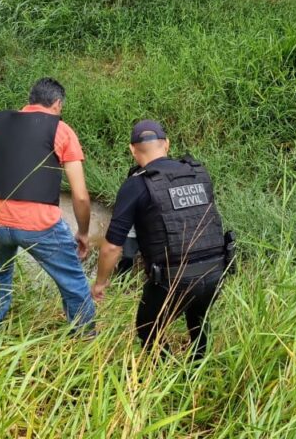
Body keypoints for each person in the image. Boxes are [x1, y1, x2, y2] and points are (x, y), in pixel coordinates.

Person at [91, 120, 232, 360]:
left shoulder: (136, 184)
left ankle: (168, 373)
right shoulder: (198, 172)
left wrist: (100, 283)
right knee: (199, 320)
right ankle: (197, 369)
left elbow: (113, 246)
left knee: (147, 329)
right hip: (216, 269)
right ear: (166, 144)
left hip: (172, 279)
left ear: (132, 150)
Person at [0, 78, 95, 333]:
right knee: (73, 281)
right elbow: (80, 196)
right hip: (39, 225)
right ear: (57, 104)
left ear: (30, 99)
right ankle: (86, 337)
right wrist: (84, 233)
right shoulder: (61, 130)